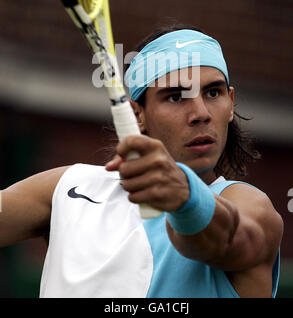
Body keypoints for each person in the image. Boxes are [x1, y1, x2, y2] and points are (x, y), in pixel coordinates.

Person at [0, 24, 283, 298]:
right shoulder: (69, 186)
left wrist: (185, 197)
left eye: (213, 92)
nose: (200, 112)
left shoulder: (250, 205)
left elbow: (233, 239)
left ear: (231, 102)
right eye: (175, 97)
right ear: (138, 114)